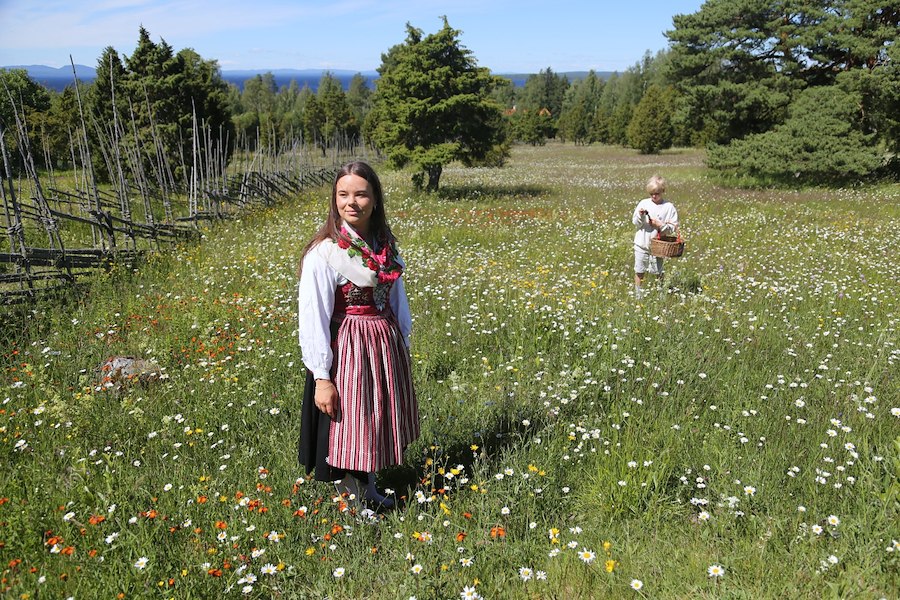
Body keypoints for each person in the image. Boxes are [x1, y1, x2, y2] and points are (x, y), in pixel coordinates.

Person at [297, 161, 418, 511]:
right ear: (334, 199)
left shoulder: (385, 248)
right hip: (347, 347)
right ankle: (351, 497)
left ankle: (370, 489)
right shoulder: (325, 252)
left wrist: (402, 341)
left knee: (373, 418)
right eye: (343, 194)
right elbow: (313, 316)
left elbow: (398, 299)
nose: (351, 202)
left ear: (375, 199)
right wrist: (322, 377)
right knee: (349, 420)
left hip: (383, 344)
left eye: (361, 194)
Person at [632, 175, 679, 298]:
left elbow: (673, 227)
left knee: (658, 271)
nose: (654, 196)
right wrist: (641, 216)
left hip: (658, 246)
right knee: (639, 270)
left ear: (662, 191)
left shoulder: (669, 207)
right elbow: (636, 223)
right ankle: (638, 295)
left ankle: (661, 294)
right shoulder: (643, 203)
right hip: (641, 244)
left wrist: (660, 225)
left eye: (657, 193)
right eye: (651, 193)